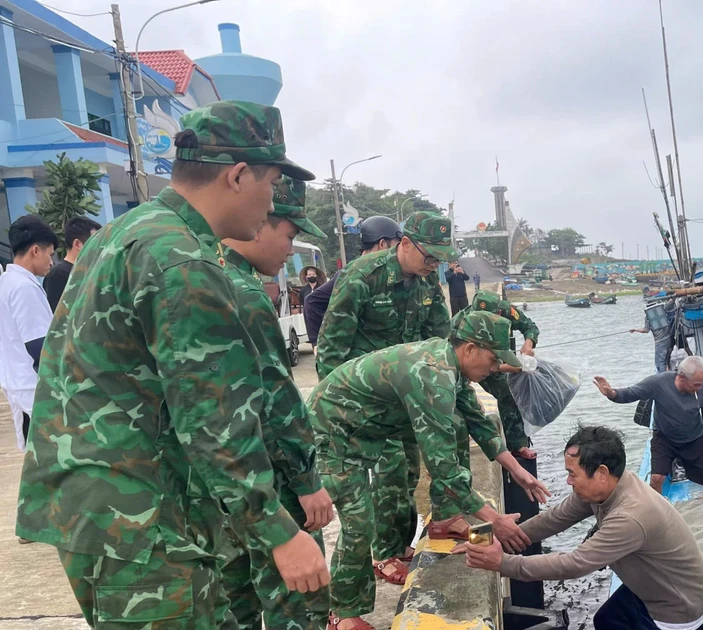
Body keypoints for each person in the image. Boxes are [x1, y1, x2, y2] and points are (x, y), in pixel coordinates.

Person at [16, 101, 329, 627]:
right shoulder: (182, 260)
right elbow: (215, 418)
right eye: (273, 184)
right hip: (138, 518)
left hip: (103, 505)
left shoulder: (124, 231)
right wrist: (279, 532)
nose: (273, 202)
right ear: (237, 176)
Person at [309, 311, 549, 630]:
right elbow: (443, 466)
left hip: (364, 429)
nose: (494, 369)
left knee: (459, 424)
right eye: (493, 360)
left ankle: (446, 518)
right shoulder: (433, 376)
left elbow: (477, 420)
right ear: (470, 349)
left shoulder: (450, 364)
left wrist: (517, 470)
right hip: (332, 431)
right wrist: (493, 520)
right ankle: (341, 613)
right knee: (359, 521)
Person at [314, 210, 458, 591]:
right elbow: (330, 349)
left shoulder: (427, 281)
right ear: (405, 244)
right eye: (430, 257)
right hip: (363, 397)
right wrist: (340, 410)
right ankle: (382, 553)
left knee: (408, 470)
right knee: (389, 470)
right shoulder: (363, 276)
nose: (435, 265)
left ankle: (397, 544)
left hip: (405, 394)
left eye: (440, 260)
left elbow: (440, 340)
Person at [216, 176, 334, 629]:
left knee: (235, 601)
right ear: (260, 223)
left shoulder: (206, 272)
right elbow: (274, 400)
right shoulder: (245, 294)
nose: (290, 250)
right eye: (289, 235)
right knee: (300, 600)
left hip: (219, 484)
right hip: (263, 474)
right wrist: (306, 480)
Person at [461, 425, 703, 630]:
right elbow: (555, 518)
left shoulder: (630, 515)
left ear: (602, 473)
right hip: (650, 588)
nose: (568, 481)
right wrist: (489, 537)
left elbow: (574, 564)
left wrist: (502, 563)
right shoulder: (605, 487)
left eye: (573, 474)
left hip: (678, 609)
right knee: (606, 620)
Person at [593, 356, 703, 537]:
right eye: (696, 384)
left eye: (702, 383)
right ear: (681, 377)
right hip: (664, 438)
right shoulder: (659, 383)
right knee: (657, 478)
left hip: (694, 439)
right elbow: (631, 393)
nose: (700, 387)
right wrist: (611, 393)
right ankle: (658, 522)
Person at [459, 290, 539, 458]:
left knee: (509, 392)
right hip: (470, 362)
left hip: (498, 356)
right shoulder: (462, 323)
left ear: (499, 313)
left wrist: (528, 343)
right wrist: (504, 368)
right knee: (464, 399)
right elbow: (462, 359)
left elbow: (529, 326)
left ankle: (517, 444)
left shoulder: (507, 310)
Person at [0, 215, 56, 452]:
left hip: (19, 387)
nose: (51, 262)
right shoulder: (23, 287)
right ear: (35, 250)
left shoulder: (7, 281)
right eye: (50, 254)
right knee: (47, 456)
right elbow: (40, 347)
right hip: (33, 392)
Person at [302, 215, 403, 345]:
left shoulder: (386, 272)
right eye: (396, 245)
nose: (398, 251)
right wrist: (317, 344)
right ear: (382, 244)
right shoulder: (351, 273)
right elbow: (312, 302)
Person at [43, 216, 100, 311]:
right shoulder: (58, 274)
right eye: (96, 242)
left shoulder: (88, 272)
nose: (100, 248)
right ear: (77, 244)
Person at [631, 300, 676, 373]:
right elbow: (670, 303)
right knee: (667, 358)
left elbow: (646, 330)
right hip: (668, 338)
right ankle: (668, 372)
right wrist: (672, 298)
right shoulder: (662, 310)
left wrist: (635, 330)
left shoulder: (648, 316)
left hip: (659, 342)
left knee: (660, 362)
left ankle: (662, 375)